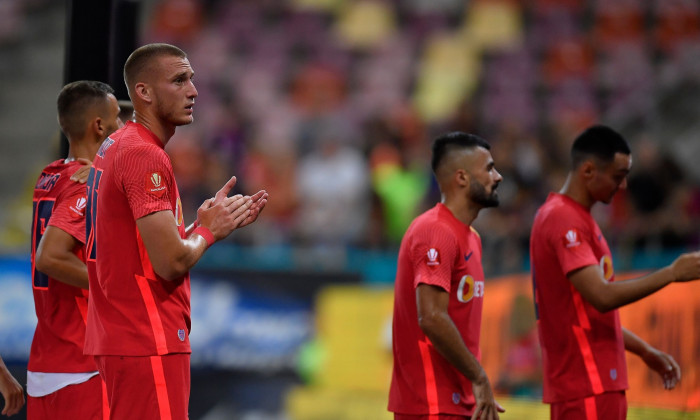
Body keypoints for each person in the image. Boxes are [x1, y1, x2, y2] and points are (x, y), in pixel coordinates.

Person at [83, 43, 267, 420]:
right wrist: (210, 232)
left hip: (121, 335)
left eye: (192, 80)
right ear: (143, 92)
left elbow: (139, 246)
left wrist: (199, 225)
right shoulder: (144, 154)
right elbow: (170, 262)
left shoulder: (116, 145)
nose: (193, 90)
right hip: (146, 336)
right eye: (179, 80)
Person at [530, 125, 700, 420]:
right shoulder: (564, 219)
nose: (622, 187)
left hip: (588, 385)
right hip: (588, 386)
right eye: (618, 177)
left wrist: (645, 351)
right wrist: (672, 272)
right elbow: (602, 297)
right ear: (588, 171)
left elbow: (584, 315)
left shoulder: (573, 218)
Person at [388, 132, 506, 420]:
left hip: (457, 403)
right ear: (462, 178)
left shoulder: (471, 238)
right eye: (489, 168)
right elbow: (431, 317)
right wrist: (479, 377)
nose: (499, 176)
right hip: (430, 402)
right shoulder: (434, 231)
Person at [28, 80, 120, 419]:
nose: (121, 128)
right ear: (99, 126)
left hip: (46, 364)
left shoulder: (49, 176)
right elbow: (50, 256)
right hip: (82, 366)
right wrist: (114, 289)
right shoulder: (85, 187)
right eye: (117, 119)